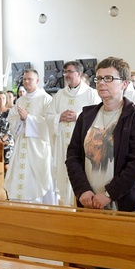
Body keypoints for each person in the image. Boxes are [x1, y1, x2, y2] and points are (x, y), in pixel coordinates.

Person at [65, 57, 135, 212]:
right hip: (89, 202)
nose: (101, 83)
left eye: (109, 78)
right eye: (98, 78)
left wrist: (108, 194)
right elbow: (73, 156)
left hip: (125, 204)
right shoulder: (87, 115)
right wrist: (82, 190)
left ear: (124, 83)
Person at [47, 61, 100, 205]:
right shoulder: (59, 94)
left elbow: (98, 117)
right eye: (65, 72)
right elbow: (49, 116)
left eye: (69, 72)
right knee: (64, 175)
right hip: (63, 144)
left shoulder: (91, 94)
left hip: (83, 144)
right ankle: (65, 205)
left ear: (79, 74)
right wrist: (59, 117)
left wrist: (78, 116)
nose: (66, 75)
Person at [5, 68, 56, 203]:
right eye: (25, 79)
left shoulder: (47, 99)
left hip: (38, 147)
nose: (27, 82)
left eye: (30, 79)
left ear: (37, 81)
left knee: (38, 178)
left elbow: (49, 123)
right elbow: (12, 120)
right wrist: (21, 120)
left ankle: (42, 208)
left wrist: (29, 118)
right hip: (21, 144)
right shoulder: (20, 100)